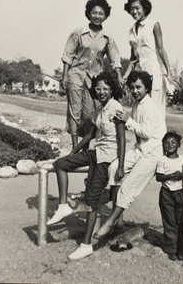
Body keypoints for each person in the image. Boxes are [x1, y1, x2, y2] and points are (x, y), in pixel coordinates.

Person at [47, 72, 126, 260]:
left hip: (106, 158)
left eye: (105, 89)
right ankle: (64, 206)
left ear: (112, 90)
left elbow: (122, 139)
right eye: (98, 89)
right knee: (60, 164)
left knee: (91, 201)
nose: (101, 92)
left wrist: (121, 165)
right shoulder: (99, 109)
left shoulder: (116, 108)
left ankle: (86, 244)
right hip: (94, 153)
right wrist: (73, 153)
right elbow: (89, 136)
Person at [93, 70, 166, 238]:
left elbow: (146, 132)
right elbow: (133, 127)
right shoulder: (136, 104)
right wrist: (120, 120)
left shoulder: (149, 106)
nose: (135, 91)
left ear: (147, 88)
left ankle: (111, 221)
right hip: (141, 148)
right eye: (132, 88)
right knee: (113, 168)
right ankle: (119, 221)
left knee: (129, 186)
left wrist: (127, 121)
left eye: (139, 87)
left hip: (153, 151)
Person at [60, 0, 123, 148]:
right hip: (75, 75)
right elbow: (68, 55)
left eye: (101, 14)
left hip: (94, 80)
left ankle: (84, 146)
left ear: (105, 16)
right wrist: (64, 76)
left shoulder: (107, 38)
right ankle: (75, 149)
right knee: (75, 111)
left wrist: (119, 76)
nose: (97, 16)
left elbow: (115, 59)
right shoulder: (79, 33)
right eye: (94, 13)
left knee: (89, 114)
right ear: (89, 13)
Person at [121, 0, 174, 118]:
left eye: (137, 8)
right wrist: (125, 76)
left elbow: (161, 49)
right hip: (140, 75)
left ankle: (159, 137)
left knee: (156, 111)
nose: (134, 12)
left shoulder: (153, 24)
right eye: (132, 9)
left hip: (155, 73)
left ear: (144, 8)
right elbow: (133, 58)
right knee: (141, 112)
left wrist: (169, 72)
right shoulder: (131, 30)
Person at [155, 131, 183, 261]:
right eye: (167, 143)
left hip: (179, 193)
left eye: (173, 142)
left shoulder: (182, 159)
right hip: (166, 193)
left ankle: (182, 249)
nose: (170, 145)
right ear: (163, 145)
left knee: (180, 221)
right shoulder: (162, 160)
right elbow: (158, 177)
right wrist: (170, 176)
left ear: (179, 145)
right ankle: (171, 249)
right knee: (169, 221)